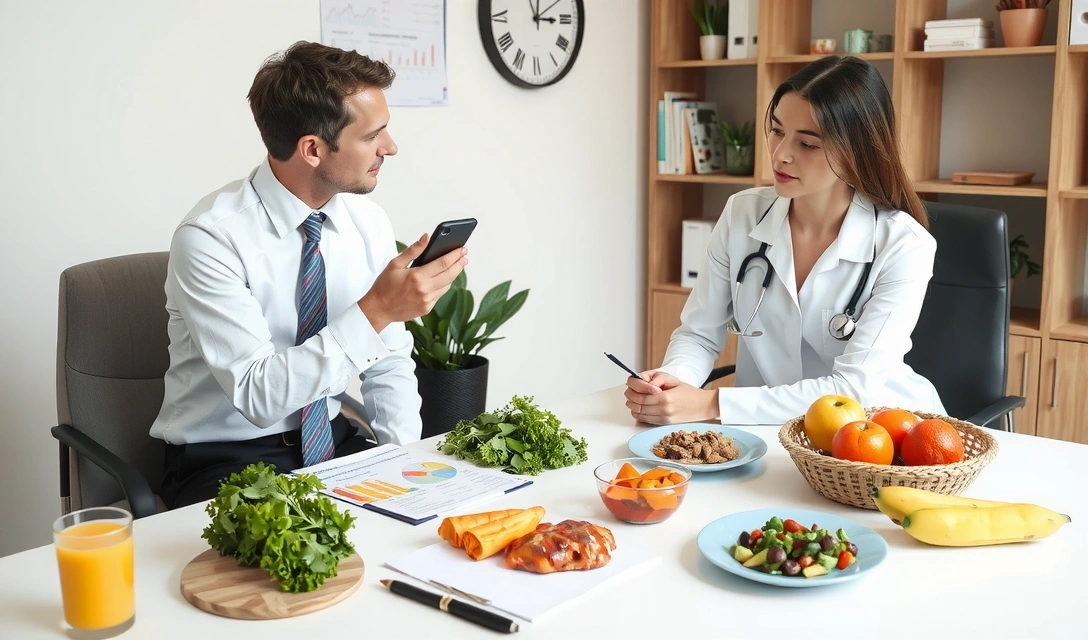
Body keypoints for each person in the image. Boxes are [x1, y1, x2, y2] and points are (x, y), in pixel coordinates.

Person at [151, 41, 467, 508]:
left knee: (453, 515)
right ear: (313, 149)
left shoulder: (367, 221)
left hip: (331, 446)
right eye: (372, 135)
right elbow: (258, 396)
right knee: (315, 568)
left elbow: (390, 363)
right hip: (226, 460)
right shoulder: (210, 238)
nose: (390, 147)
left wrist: (404, 468)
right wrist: (376, 310)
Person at [626, 56, 945, 426]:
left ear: (857, 150)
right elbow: (698, 334)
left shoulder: (903, 245)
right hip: (763, 433)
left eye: (807, 144)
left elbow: (853, 390)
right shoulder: (741, 214)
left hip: (872, 438)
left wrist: (711, 404)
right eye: (777, 131)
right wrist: (673, 382)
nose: (781, 154)